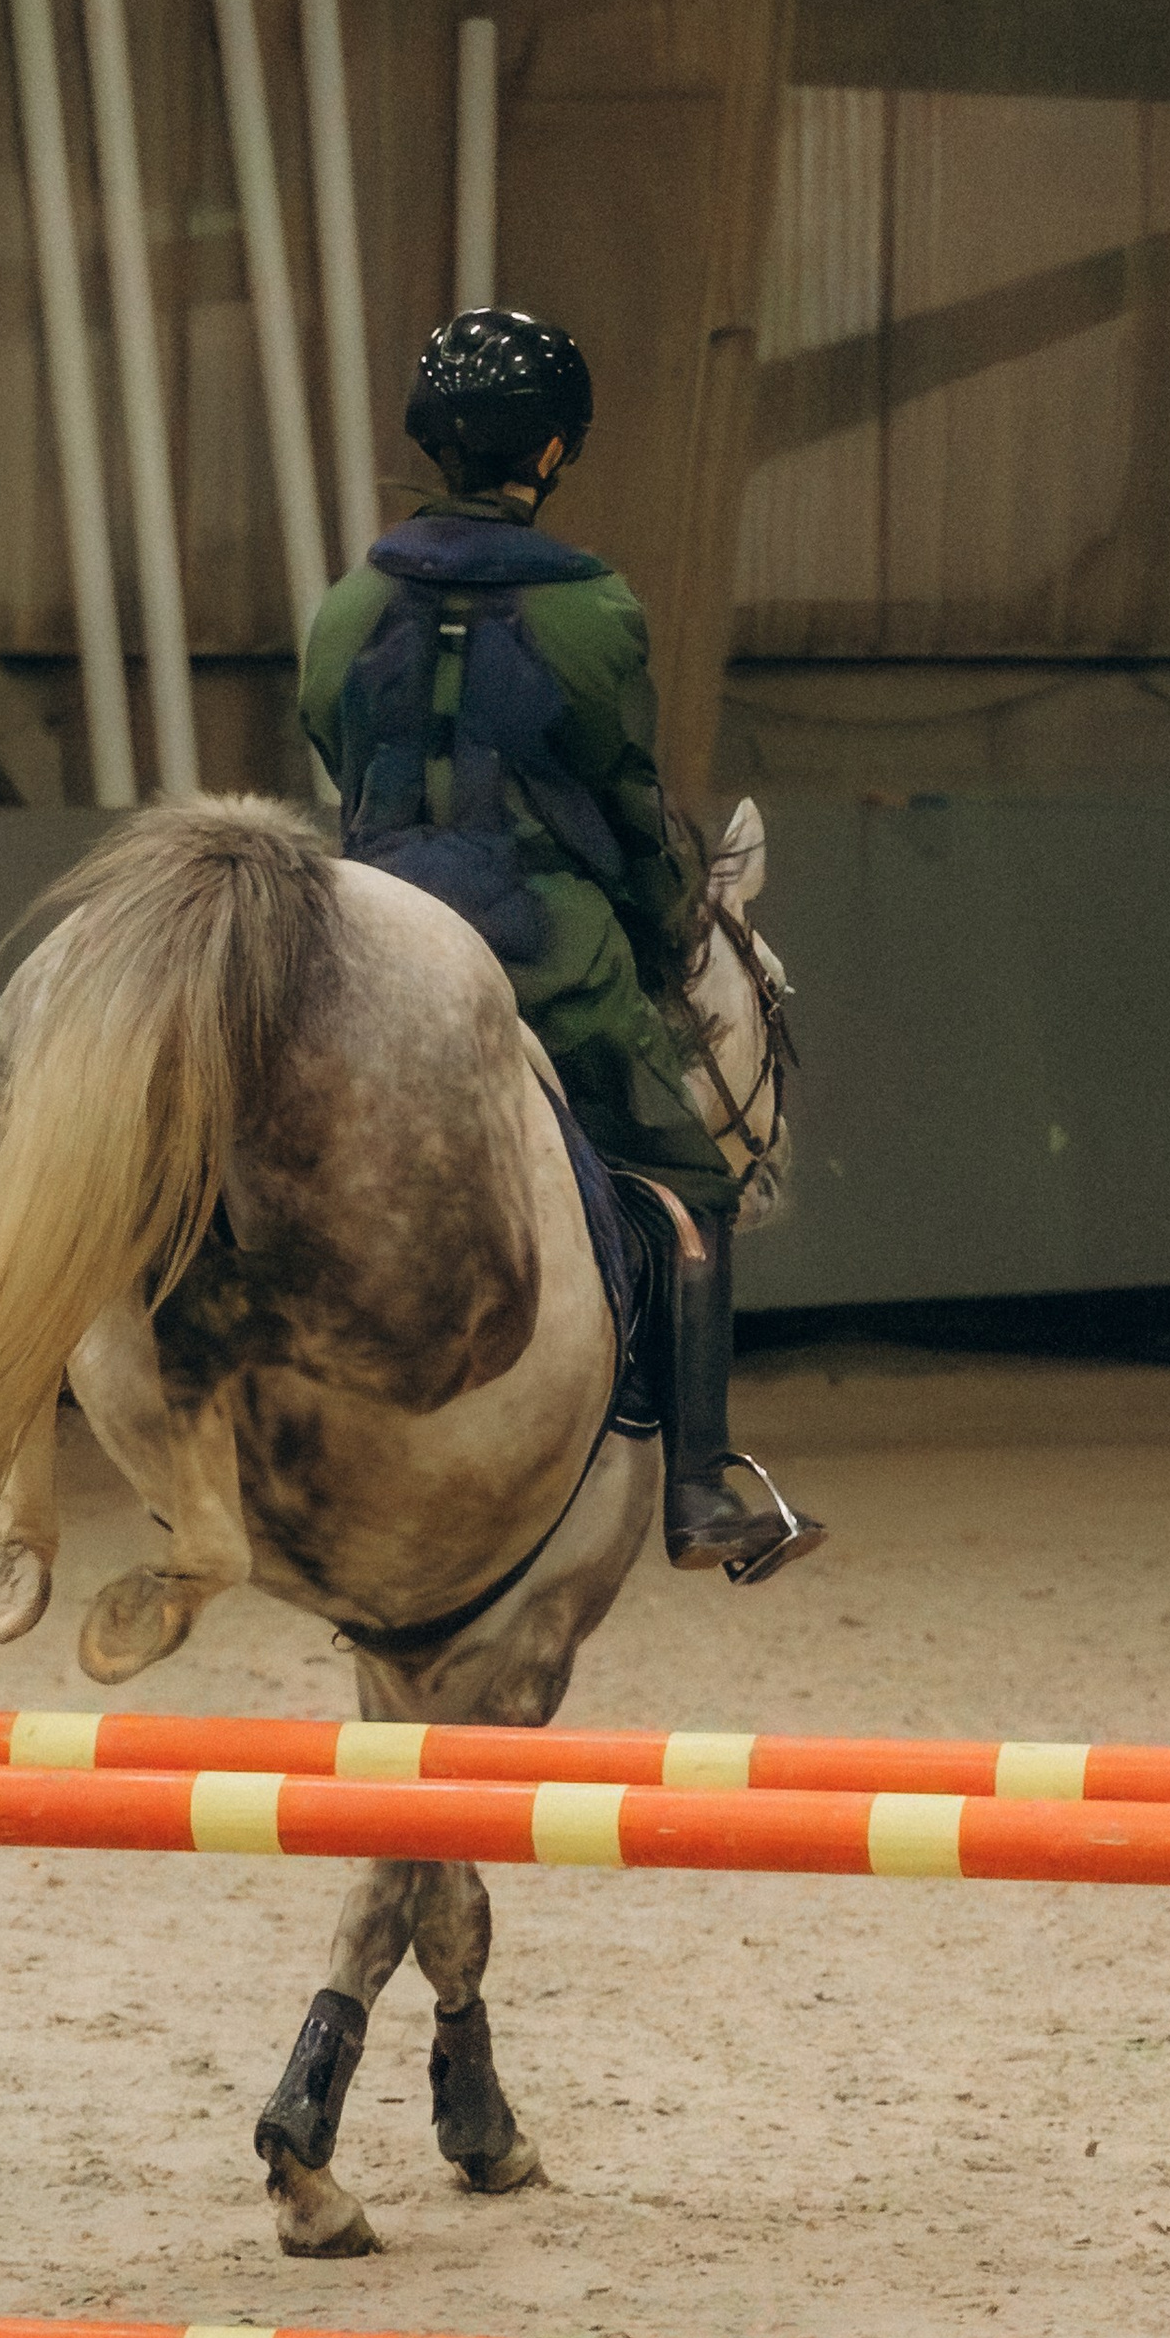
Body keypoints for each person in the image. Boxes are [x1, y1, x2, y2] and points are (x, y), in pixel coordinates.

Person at [297, 307, 820, 1584]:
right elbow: (629, 803)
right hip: (540, 945)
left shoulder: (348, 602)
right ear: (548, 449)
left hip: (362, 938)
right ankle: (699, 1486)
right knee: (689, 1182)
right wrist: (651, 934)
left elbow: (334, 752)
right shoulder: (591, 610)